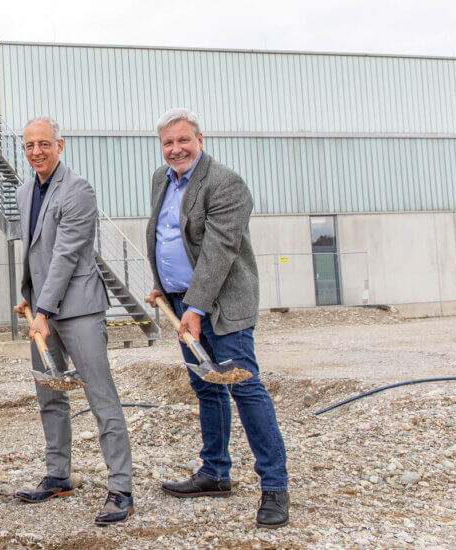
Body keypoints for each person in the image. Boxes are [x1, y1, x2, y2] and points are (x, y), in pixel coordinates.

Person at [147, 108, 290, 528]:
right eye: (168, 143)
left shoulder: (226, 183)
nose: (176, 149)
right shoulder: (162, 179)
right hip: (180, 304)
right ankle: (214, 472)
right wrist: (164, 285)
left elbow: (218, 251)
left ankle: (275, 486)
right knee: (205, 389)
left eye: (183, 140)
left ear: (200, 139)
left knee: (245, 390)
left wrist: (194, 308)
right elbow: (165, 234)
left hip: (222, 308)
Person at [11, 117, 135, 525]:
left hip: (78, 309)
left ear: (59, 146)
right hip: (42, 311)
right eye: (29, 145)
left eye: (44, 144)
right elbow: (33, 251)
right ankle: (58, 474)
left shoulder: (78, 189)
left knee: (100, 396)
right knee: (50, 396)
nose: (36, 152)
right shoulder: (25, 189)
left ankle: (121, 487)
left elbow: (65, 255)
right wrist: (29, 300)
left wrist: (42, 311)